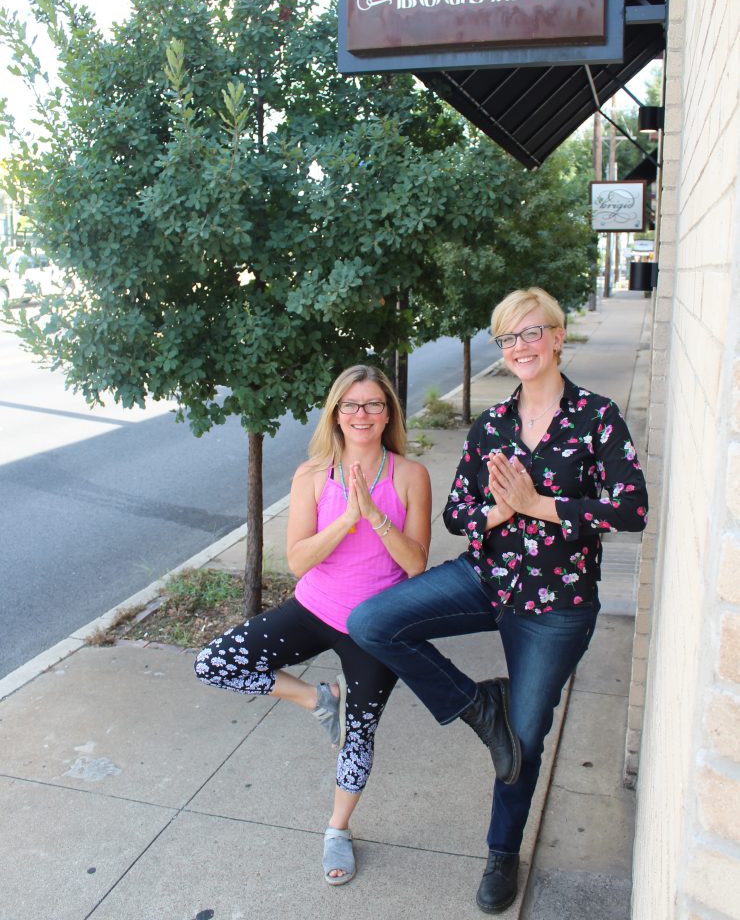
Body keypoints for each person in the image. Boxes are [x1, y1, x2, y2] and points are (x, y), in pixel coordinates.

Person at [348, 287, 648, 913]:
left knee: (528, 739)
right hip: (487, 578)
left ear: (558, 336)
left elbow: (630, 507)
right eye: (508, 338)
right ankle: (480, 703)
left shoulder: (597, 417)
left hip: (557, 605)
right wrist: (498, 509)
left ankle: (501, 852)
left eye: (531, 333)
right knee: (373, 621)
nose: (520, 348)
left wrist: (542, 506)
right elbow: (459, 516)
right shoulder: (492, 424)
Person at [194, 364, 432, 886]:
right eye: (350, 405)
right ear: (336, 414)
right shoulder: (312, 475)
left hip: (375, 625)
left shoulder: (410, 476)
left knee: (359, 737)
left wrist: (374, 514)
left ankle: (337, 830)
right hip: (314, 608)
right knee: (214, 663)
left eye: (372, 404)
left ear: (388, 412)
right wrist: (347, 516)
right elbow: (300, 560)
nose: (362, 414)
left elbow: (415, 565)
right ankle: (317, 698)